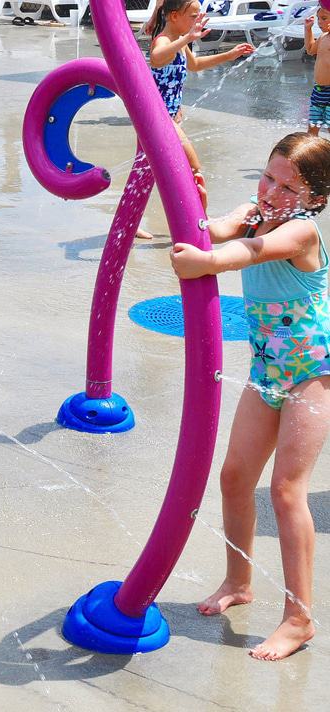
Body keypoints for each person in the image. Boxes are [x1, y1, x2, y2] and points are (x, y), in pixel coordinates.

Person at [170, 133, 330, 660]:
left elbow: (248, 252)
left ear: (315, 197)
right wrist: (195, 211)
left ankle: (299, 618)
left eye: (290, 186)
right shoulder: (254, 210)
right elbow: (216, 231)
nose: (273, 192)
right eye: (269, 176)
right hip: (267, 369)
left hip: (313, 373)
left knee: (286, 489)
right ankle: (238, 583)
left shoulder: (302, 233)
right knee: (235, 476)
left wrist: (208, 260)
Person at [149, 0, 253, 212]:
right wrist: (188, 38)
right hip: (158, 119)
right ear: (174, 16)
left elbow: (194, 65)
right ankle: (195, 219)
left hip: (168, 117)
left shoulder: (179, 41)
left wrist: (230, 55)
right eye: (193, 16)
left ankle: (132, 219)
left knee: (145, 174)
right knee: (194, 167)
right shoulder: (163, 40)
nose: (197, 21)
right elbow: (156, 58)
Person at [305, 2, 330, 136]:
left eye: (324, 18)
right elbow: (310, 49)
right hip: (318, 91)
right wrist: (308, 29)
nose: (320, 22)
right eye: (318, 18)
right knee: (312, 129)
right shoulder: (322, 37)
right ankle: (311, 155)